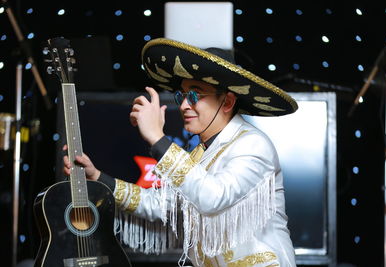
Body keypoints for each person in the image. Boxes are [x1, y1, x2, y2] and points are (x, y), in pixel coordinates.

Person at [63, 38, 298, 267]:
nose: (184, 105)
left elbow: (212, 197)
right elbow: (161, 205)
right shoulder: (199, 154)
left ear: (227, 102)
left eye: (195, 95)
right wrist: (98, 178)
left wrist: (157, 138)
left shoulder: (252, 144)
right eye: (182, 96)